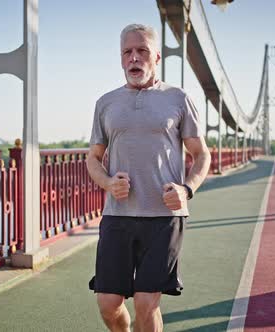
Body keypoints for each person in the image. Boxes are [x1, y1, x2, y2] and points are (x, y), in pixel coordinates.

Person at [86, 23, 211, 332]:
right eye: (127, 52)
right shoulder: (106, 103)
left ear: (156, 56)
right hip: (118, 216)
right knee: (107, 303)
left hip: (164, 217)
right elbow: (93, 158)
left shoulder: (179, 99)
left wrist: (187, 189)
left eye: (142, 51)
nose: (134, 58)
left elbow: (202, 154)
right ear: (120, 58)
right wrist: (108, 183)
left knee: (146, 301)